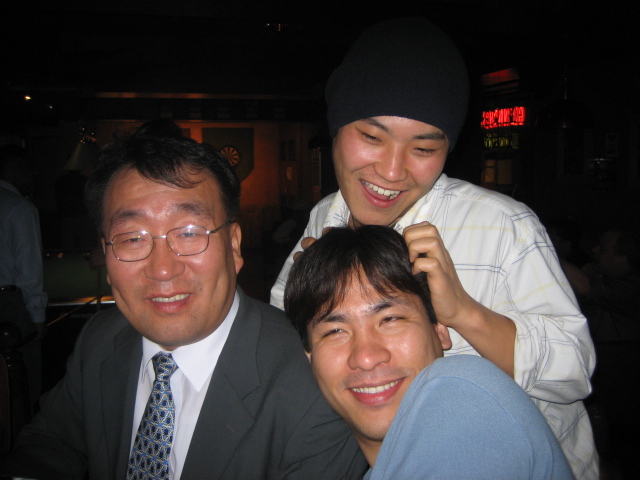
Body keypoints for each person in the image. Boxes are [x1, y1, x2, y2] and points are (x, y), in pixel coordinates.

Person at [271, 16, 597, 479]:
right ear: (336, 128)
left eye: (423, 149)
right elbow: (286, 340)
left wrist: (465, 312)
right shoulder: (326, 216)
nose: (391, 171)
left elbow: (575, 371)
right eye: (371, 137)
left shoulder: (501, 225)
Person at [2, 134, 367, 479]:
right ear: (105, 255)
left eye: (190, 232)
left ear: (234, 246)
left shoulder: (314, 384)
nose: (163, 269)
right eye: (132, 238)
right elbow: (49, 442)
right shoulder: (101, 339)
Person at [284, 225, 574, 479]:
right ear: (310, 356)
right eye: (335, 331)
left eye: (390, 319)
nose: (366, 358)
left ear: (440, 330)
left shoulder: (466, 395)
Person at [0, 145, 47, 412]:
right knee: (22, 383)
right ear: (13, 170)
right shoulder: (20, 207)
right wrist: (38, 318)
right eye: (28, 169)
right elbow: (28, 268)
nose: (34, 175)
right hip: (9, 304)